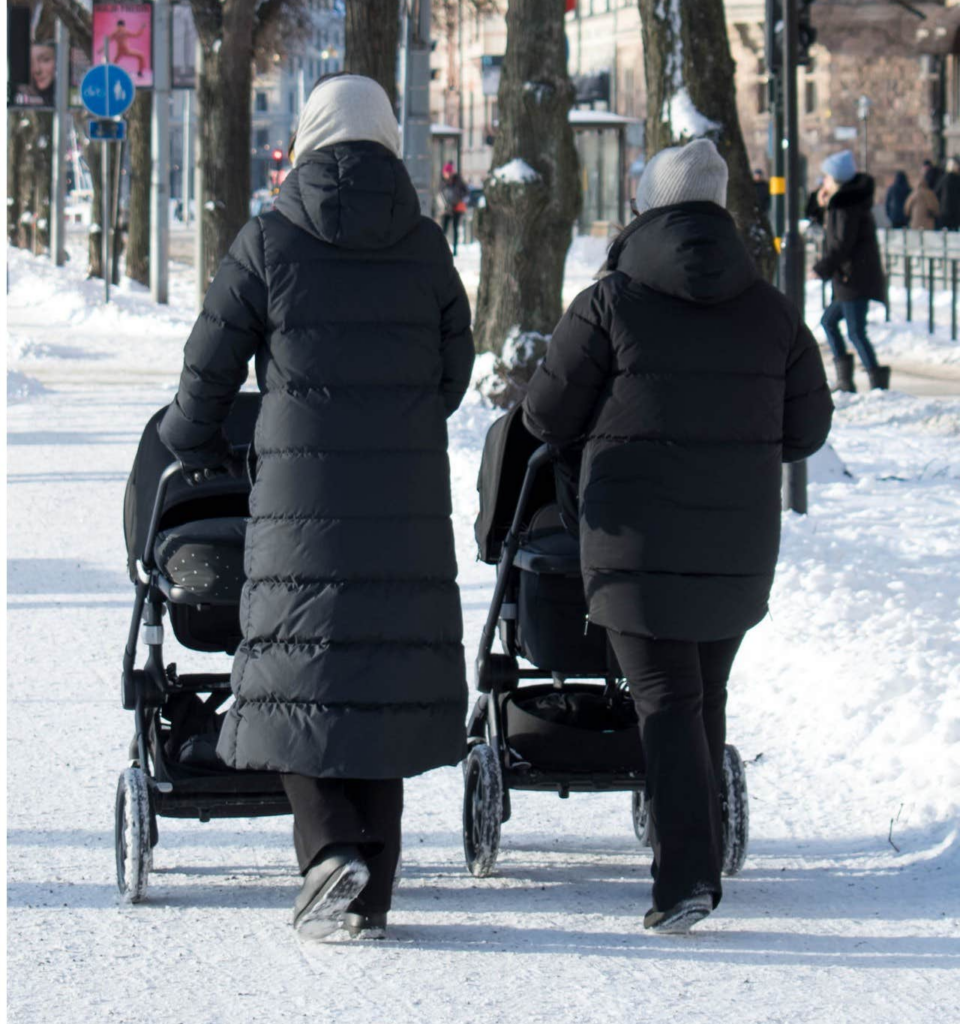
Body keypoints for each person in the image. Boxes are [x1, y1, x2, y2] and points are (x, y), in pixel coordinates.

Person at [157, 74, 472, 943]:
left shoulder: (271, 240)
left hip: (302, 495)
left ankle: (330, 849)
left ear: (304, 142)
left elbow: (207, 371)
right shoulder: (425, 246)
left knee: (292, 668)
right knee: (385, 676)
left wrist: (190, 439)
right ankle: (369, 897)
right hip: (405, 491)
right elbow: (453, 373)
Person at [523, 138, 834, 935]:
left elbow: (545, 417)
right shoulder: (769, 308)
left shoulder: (611, 302)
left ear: (647, 208)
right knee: (704, 693)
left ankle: (686, 878)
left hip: (633, 539)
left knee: (663, 697)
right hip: (736, 546)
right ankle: (695, 848)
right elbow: (807, 429)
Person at [813, 150, 890, 391]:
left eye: (826, 177)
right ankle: (849, 380)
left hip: (855, 278)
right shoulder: (844, 203)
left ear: (835, 179)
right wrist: (825, 206)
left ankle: (875, 382)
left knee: (855, 331)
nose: (823, 182)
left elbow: (841, 244)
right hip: (850, 278)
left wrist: (822, 267)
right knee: (831, 323)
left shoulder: (846, 207)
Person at [439, 162, 469, 253]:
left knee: (455, 228)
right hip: (446, 209)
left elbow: (466, 192)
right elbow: (440, 194)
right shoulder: (442, 183)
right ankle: (442, 248)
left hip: (456, 207)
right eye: (445, 173)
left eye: (448, 173)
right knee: (444, 229)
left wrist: (459, 198)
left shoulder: (458, 181)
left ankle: (455, 249)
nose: (447, 175)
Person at [906, 165, 942, 230]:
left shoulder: (914, 194)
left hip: (915, 223)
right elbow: (935, 209)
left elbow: (907, 209)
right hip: (928, 224)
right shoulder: (930, 194)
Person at [936, 156, 960, 230]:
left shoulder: (944, 178)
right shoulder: (958, 180)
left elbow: (936, 192)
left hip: (945, 210)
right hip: (956, 210)